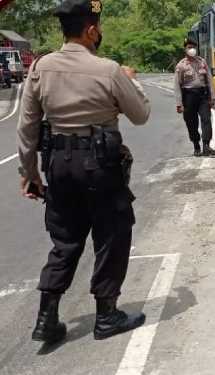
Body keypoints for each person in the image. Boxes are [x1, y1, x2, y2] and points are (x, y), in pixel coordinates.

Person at [16, 0, 151, 344]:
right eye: (99, 28)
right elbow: (140, 116)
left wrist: (30, 173)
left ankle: (46, 318)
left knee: (65, 240)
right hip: (100, 166)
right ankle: (106, 316)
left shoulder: (41, 66)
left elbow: (28, 126)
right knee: (111, 234)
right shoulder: (108, 70)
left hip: (58, 166)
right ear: (91, 30)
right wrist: (131, 83)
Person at [174, 39, 215, 157]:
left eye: (193, 47)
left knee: (206, 119)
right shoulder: (181, 65)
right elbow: (177, 85)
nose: (192, 49)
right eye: (189, 47)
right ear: (185, 49)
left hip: (202, 95)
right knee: (191, 122)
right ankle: (196, 146)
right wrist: (179, 104)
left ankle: (206, 146)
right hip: (188, 96)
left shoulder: (202, 62)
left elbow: (209, 79)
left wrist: (213, 97)